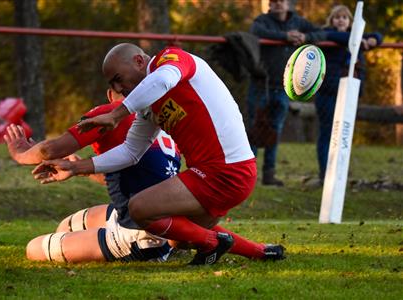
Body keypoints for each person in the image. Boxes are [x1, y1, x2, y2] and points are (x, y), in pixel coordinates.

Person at [31, 43, 285, 265]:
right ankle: (258, 252)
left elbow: (163, 80)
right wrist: (76, 167)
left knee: (139, 208)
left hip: (223, 171)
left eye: (118, 78)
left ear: (140, 61)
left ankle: (212, 242)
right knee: (179, 239)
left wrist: (116, 114)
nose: (119, 87)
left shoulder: (170, 59)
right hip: (221, 174)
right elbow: (131, 152)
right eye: (112, 85)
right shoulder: (147, 105)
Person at [4, 89, 181, 263]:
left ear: (111, 93)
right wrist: (77, 166)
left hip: (139, 235)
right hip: (163, 222)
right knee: (66, 226)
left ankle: (149, 248)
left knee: (34, 248)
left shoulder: (110, 113)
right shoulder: (163, 119)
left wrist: (21, 153)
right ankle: (169, 240)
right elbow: (133, 177)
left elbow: (48, 149)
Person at [247, 0, 327, 186]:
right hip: (261, 84)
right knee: (254, 129)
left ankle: (269, 174)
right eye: (273, 1)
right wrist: (285, 36)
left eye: (280, 1)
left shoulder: (298, 22)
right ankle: (248, 175)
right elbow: (256, 31)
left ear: (287, 4)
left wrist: (305, 37)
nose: (277, 4)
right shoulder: (263, 20)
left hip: (283, 87)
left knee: (275, 130)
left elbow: (321, 33)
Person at [315, 4, 383, 182]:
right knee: (328, 132)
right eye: (337, 17)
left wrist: (374, 39)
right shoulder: (327, 35)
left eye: (344, 17)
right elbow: (334, 36)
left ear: (350, 21)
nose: (340, 20)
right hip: (327, 92)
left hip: (349, 91)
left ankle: (339, 173)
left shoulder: (357, 36)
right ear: (332, 20)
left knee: (343, 132)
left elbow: (377, 36)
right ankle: (325, 173)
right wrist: (356, 39)